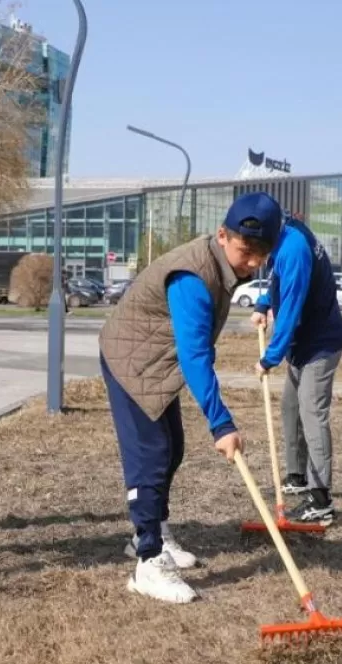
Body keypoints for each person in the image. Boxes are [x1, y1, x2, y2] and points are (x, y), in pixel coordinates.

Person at [98, 192, 280, 604]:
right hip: (132, 360)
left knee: (172, 448)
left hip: (157, 360)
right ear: (222, 235)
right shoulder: (193, 277)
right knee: (152, 455)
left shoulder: (222, 264)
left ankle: (156, 531)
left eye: (261, 255)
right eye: (245, 251)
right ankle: (147, 561)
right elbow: (195, 356)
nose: (252, 263)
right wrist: (222, 423)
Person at [250, 215, 342, 526]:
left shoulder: (294, 248)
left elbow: (290, 310)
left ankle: (321, 499)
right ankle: (297, 476)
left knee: (311, 412)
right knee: (290, 406)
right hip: (302, 344)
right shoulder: (286, 235)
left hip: (320, 344)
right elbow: (280, 283)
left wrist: (269, 358)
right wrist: (263, 303)